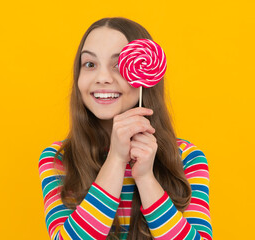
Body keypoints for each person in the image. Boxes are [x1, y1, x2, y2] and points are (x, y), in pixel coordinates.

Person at [38, 17, 212, 240]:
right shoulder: (59, 159)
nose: (102, 78)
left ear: (145, 75)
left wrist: (146, 178)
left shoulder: (186, 157)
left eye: (118, 65)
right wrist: (116, 160)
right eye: (90, 64)